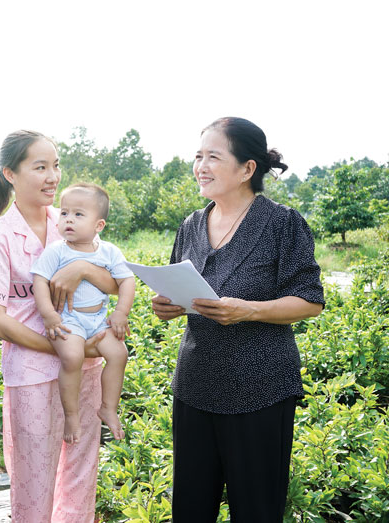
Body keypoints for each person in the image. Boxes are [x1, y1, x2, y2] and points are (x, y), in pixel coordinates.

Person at [151, 117, 325, 522]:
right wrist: (168, 305)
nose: (201, 166)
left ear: (248, 169)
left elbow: (310, 301)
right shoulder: (192, 225)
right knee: (191, 507)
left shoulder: (282, 223)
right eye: (198, 156)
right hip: (195, 385)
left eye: (213, 156)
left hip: (260, 388)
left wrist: (249, 309)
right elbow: (181, 285)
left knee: (256, 508)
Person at [0, 130, 119, 523]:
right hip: (32, 374)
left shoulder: (69, 221)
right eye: (40, 167)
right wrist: (60, 346)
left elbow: (115, 281)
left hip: (85, 368)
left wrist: (83, 267)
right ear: (10, 173)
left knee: (80, 474)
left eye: (55, 165)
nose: (53, 176)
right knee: (34, 481)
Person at [31, 182, 135, 444]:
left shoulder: (109, 252)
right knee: (73, 356)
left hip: (99, 321)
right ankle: (72, 414)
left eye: (79, 214)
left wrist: (121, 312)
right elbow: (39, 281)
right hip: (69, 320)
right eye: (64, 213)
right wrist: (48, 315)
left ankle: (108, 407)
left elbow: (127, 282)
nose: (68, 219)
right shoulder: (57, 251)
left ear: (98, 225)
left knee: (119, 353)